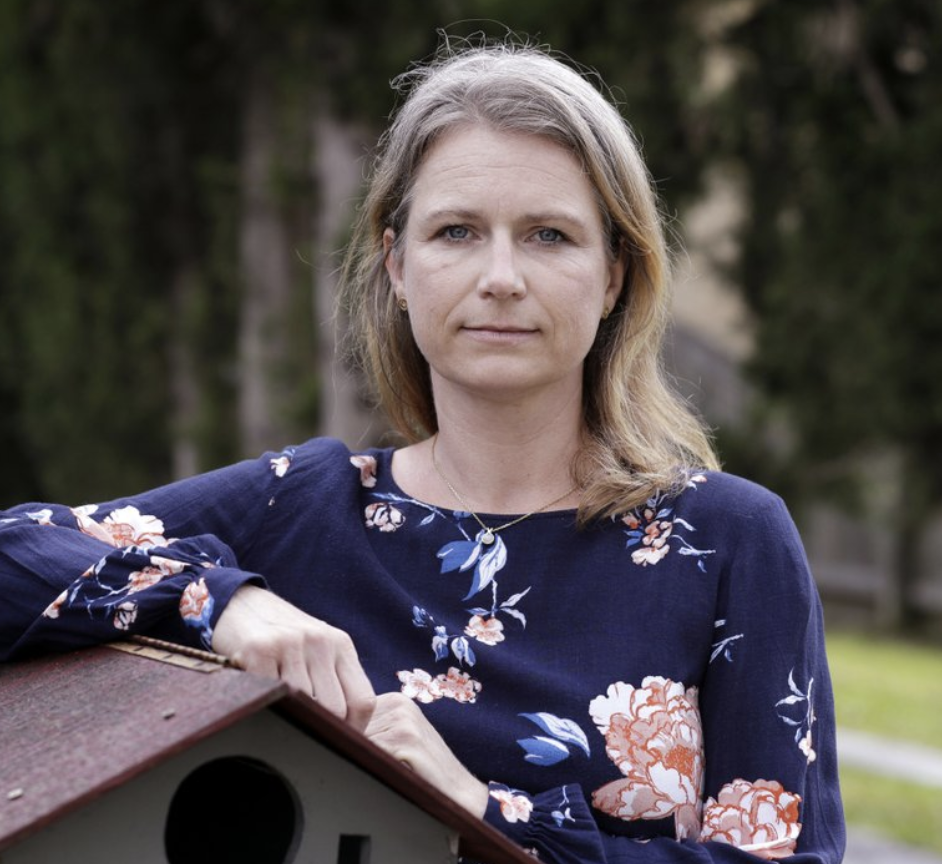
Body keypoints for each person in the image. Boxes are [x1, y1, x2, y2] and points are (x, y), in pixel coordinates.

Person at [0, 40, 844, 863]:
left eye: (549, 235)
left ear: (615, 275)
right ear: (397, 265)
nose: (502, 276)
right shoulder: (304, 507)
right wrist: (223, 602)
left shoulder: (728, 540)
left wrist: (484, 813)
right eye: (457, 232)